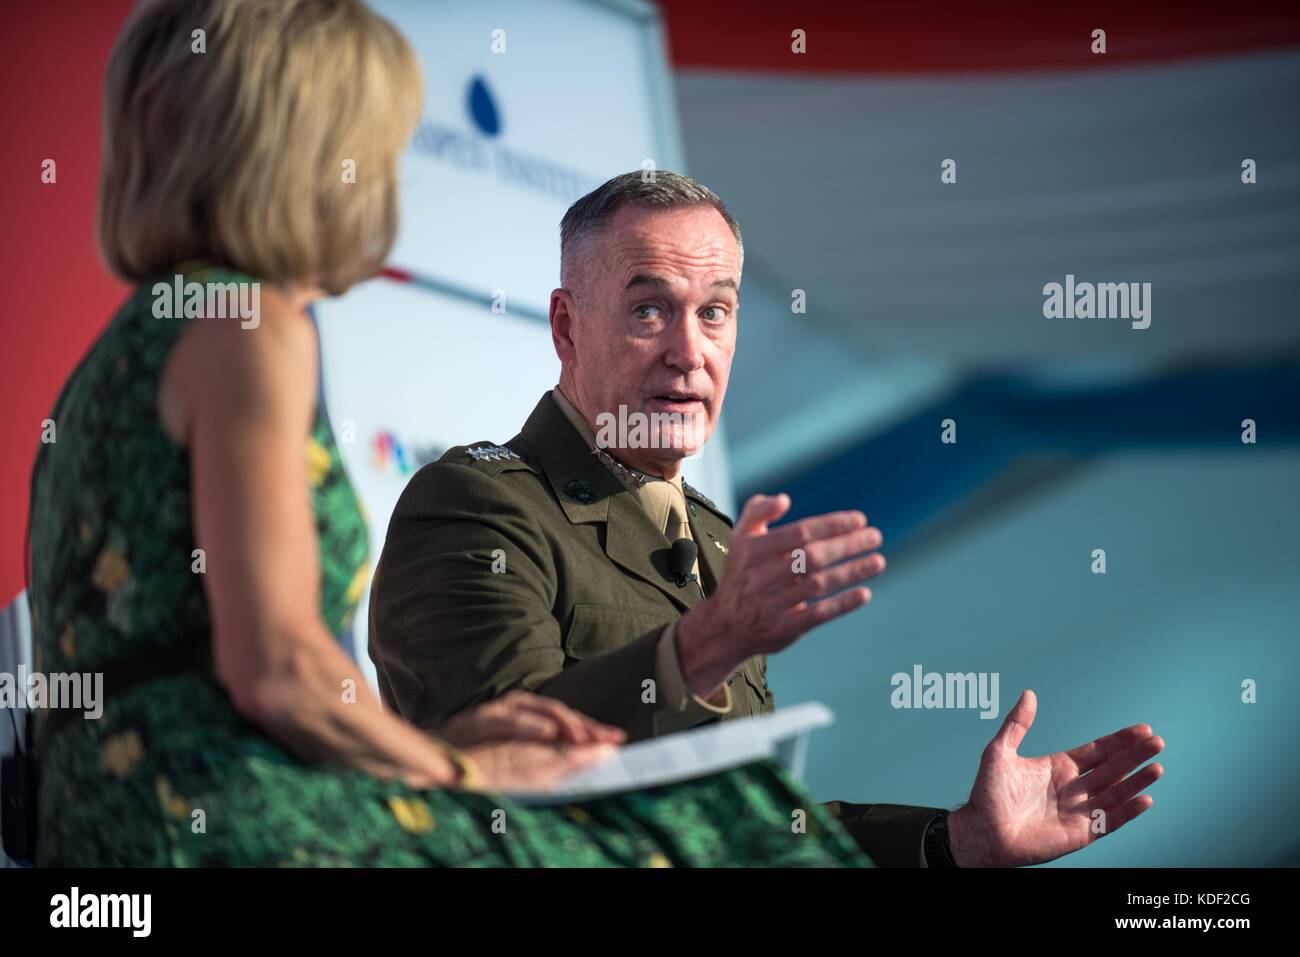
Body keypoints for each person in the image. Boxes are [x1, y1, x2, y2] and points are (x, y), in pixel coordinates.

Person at [24, 0, 870, 868]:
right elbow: (280, 668)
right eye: (377, 141)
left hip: (101, 817)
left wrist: (946, 839)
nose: (392, 177)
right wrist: (459, 768)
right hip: (215, 813)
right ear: (307, 150)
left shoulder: (122, 356)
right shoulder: (252, 329)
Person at [369, 170, 1167, 867]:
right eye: (650, 310)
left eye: (715, 312)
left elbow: (744, 829)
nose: (690, 351)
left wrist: (955, 842)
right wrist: (708, 643)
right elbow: (499, 768)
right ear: (567, 327)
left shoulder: (718, 538)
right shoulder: (477, 502)